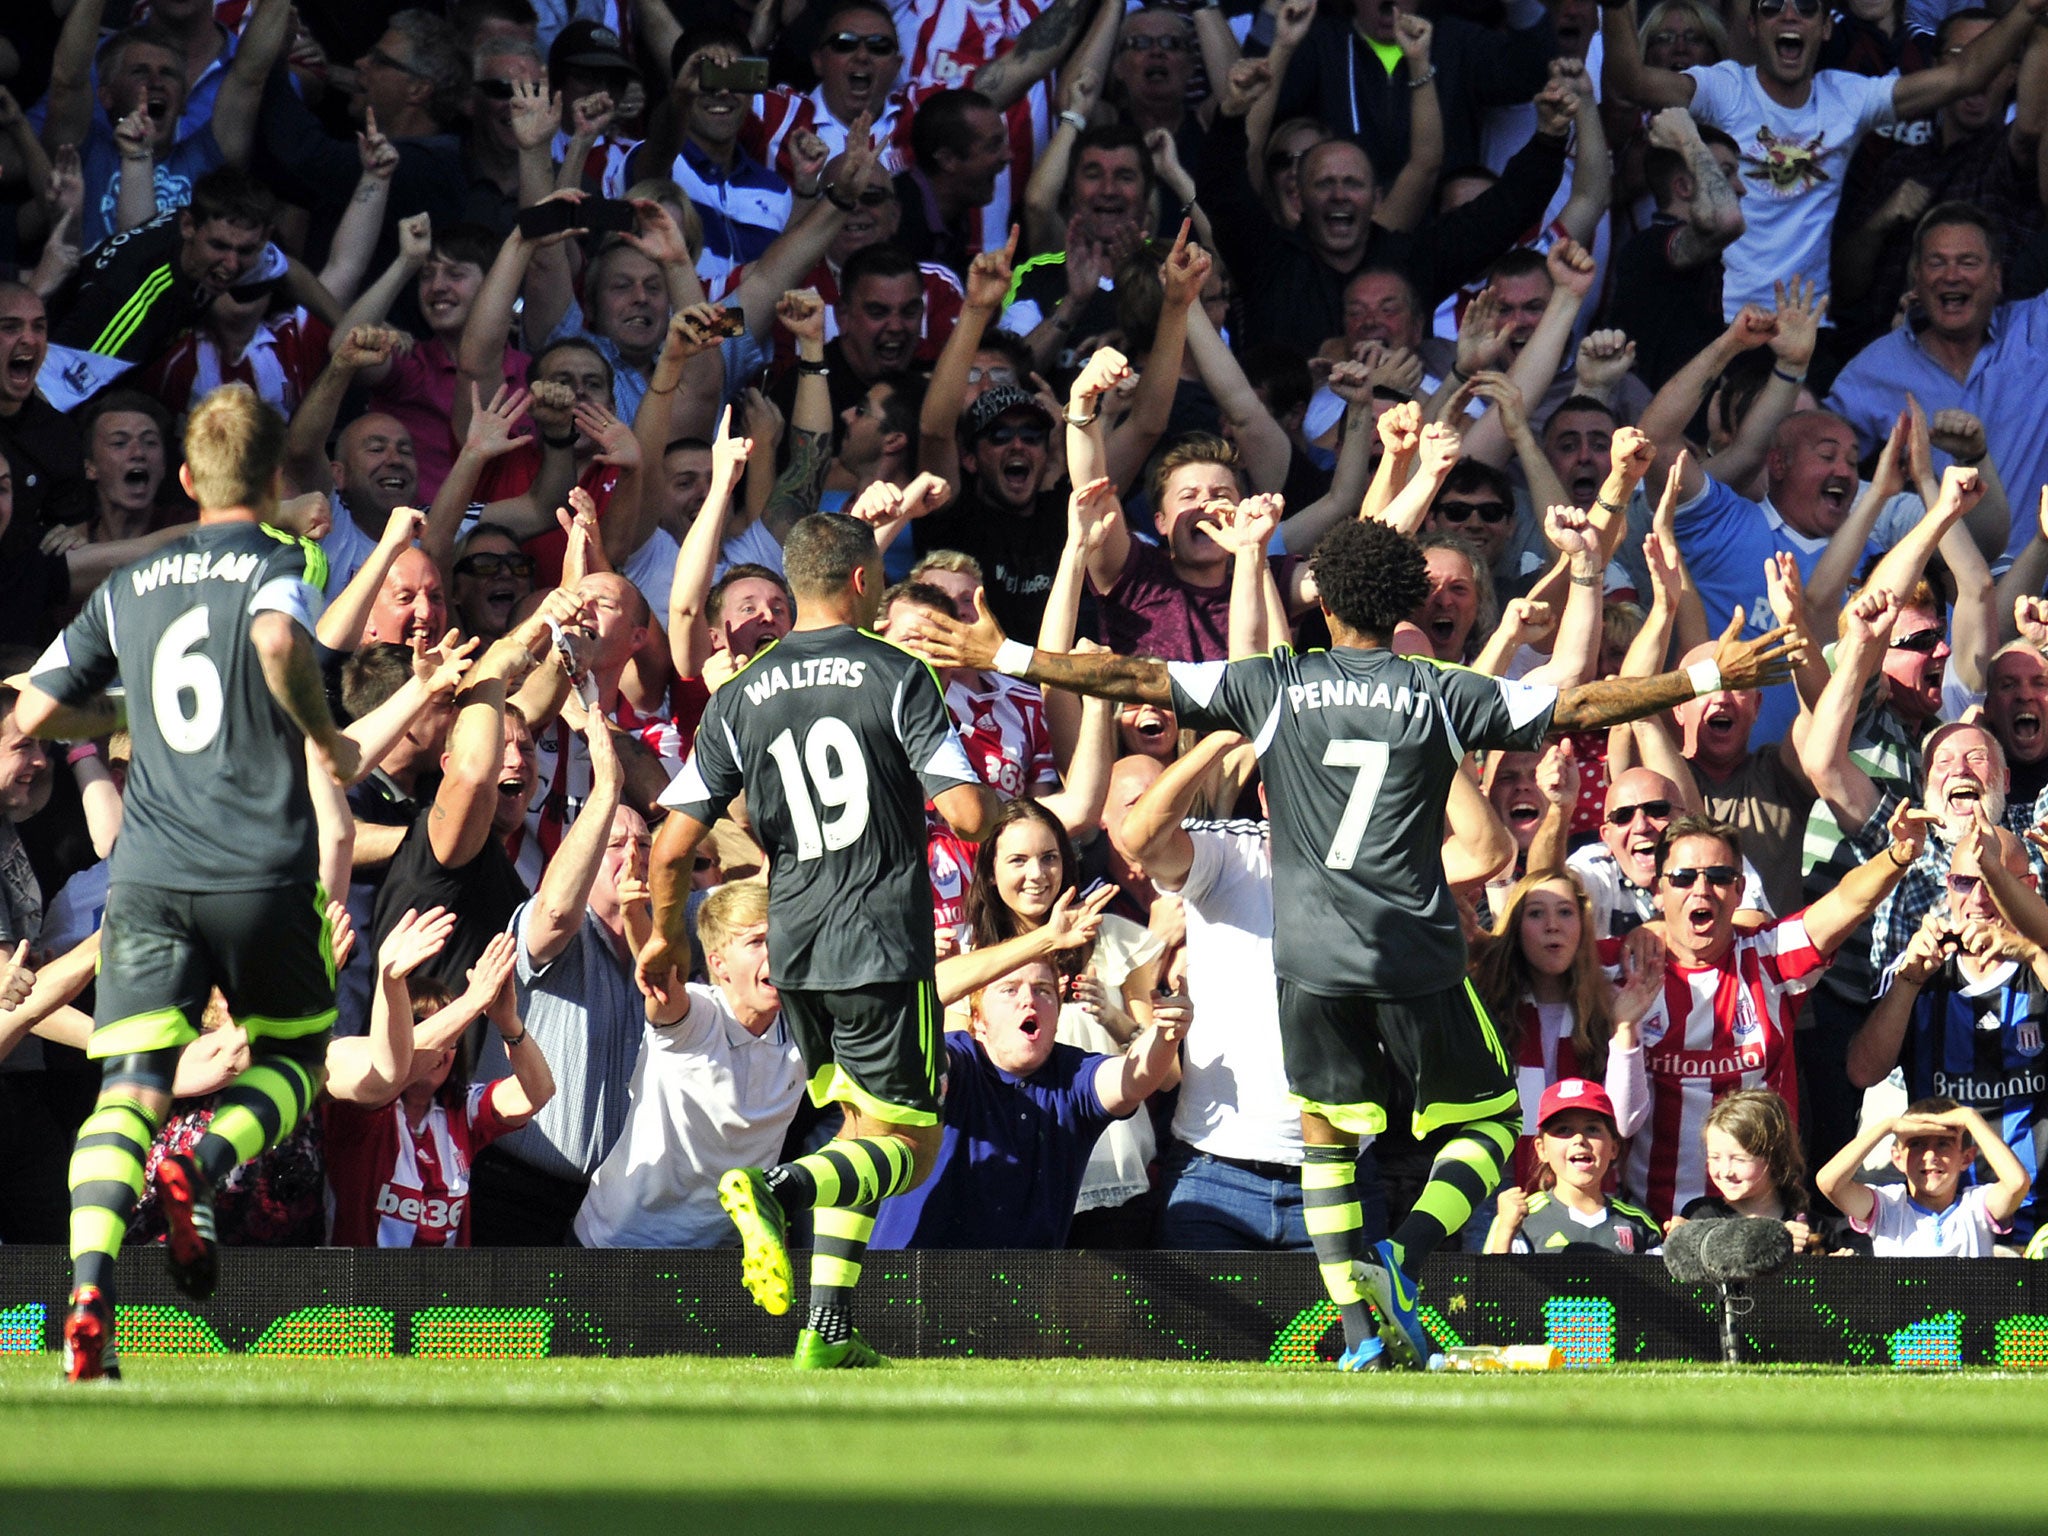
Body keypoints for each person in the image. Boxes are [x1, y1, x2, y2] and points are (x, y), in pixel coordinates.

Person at [897, 516, 1801, 1369]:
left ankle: (1361, 1327)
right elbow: (1582, 703)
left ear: (1322, 600)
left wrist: (1000, 652)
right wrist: (1701, 678)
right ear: (1404, 607)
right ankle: (1402, 1255)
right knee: (1487, 1124)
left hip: (1311, 961)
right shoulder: (1439, 688)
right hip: (1406, 950)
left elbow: (1136, 677)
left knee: (1323, 1139)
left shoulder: (1274, 684)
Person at [16, 384, 363, 1381]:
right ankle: (202, 1165)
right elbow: (273, 641)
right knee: (295, 1062)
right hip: (255, 865)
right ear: (270, 479)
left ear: (182, 478)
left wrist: (127, 728)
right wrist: (324, 729)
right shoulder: (279, 560)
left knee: (124, 1091)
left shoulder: (135, 582)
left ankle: (89, 1293)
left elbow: (36, 710)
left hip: (151, 876)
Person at [640, 511, 995, 1370]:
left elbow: (670, 845)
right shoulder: (900, 672)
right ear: (867, 583)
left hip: (794, 944)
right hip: (879, 938)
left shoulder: (737, 696)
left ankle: (827, 1328)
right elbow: (969, 814)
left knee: (858, 1125)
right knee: (911, 1150)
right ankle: (775, 1187)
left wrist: (665, 938)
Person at [1622, 808, 1927, 1222]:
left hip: (1767, 1220)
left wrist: (1897, 855)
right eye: (1683, 877)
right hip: (1657, 1223)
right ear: (1658, 891)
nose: (1702, 889)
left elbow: (1847, 900)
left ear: (1739, 888)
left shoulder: (1770, 955)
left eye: (1718, 876)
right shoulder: (1623, 967)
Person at [868, 955, 1187, 1248]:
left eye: (1043, 990)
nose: (1028, 1000)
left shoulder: (1073, 1077)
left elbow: (1133, 1079)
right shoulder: (956, 1059)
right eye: (1009, 990)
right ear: (978, 1019)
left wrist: (1165, 1035)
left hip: (1018, 1298)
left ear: (1057, 1019)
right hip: (907, 1285)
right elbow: (923, 1014)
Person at [573, 879, 806, 1249]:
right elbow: (660, 980)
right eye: (756, 941)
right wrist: (634, 913)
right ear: (718, 963)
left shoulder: (804, 1029)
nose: (774, 950)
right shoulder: (697, 1016)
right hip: (621, 1244)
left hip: (724, 1255)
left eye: (779, 937)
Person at [1849, 823, 2048, 1243]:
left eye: (1994, 880)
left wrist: (2031, 950)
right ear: (1947, 886)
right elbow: (1862, 1072)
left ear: (2028, 886)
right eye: (1964, 882)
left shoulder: (2038, 970)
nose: (1978, 899)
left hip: (2039, 1221)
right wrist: (1907, 983)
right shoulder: (1918, 970)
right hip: (1941, 1227)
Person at [1469, 871, 1654, 1191]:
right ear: (1516, 929)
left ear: (1583, 927)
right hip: (1501, 1187)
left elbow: (1622, 1124)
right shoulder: (1486, 1006)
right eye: (1536, 913)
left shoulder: (1612, 1004)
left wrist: (1624, 1029)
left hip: (1589, 1193)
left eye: (1565, 912)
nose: (1552, 925)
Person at [1817, 1096, 2032, 1255]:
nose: (1930, 1156)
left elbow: (2017, 1183)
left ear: (1966, 1158)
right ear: (1898, 1158)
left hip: (1968, 1316)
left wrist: (1970, 1118)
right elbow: (1829, 1183)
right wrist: (1888, 1126)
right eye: (1916, 1144)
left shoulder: (1976, 1206)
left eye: (1943, 1144)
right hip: (1902, 1317)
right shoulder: (1888, 1206)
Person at [1484, 1078, 1660, 1255]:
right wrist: (1506, 1231)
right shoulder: (1521, 1219)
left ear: (1613, 1148)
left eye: (1592, 1129)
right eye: (1564, 1130)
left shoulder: (1639, 1225)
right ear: (1541, 1149)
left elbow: (1665, 1281)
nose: (1579, 1140)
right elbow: (1492, 1282)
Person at [1671, 1088, 1824, 1253]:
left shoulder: (1811, 1225)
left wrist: (1837, 1267)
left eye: (1738, 1159)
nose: (1725, 1171)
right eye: (1715, 1158)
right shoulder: (1701, 1216)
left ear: (1773, 1157)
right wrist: (1774, 1244)